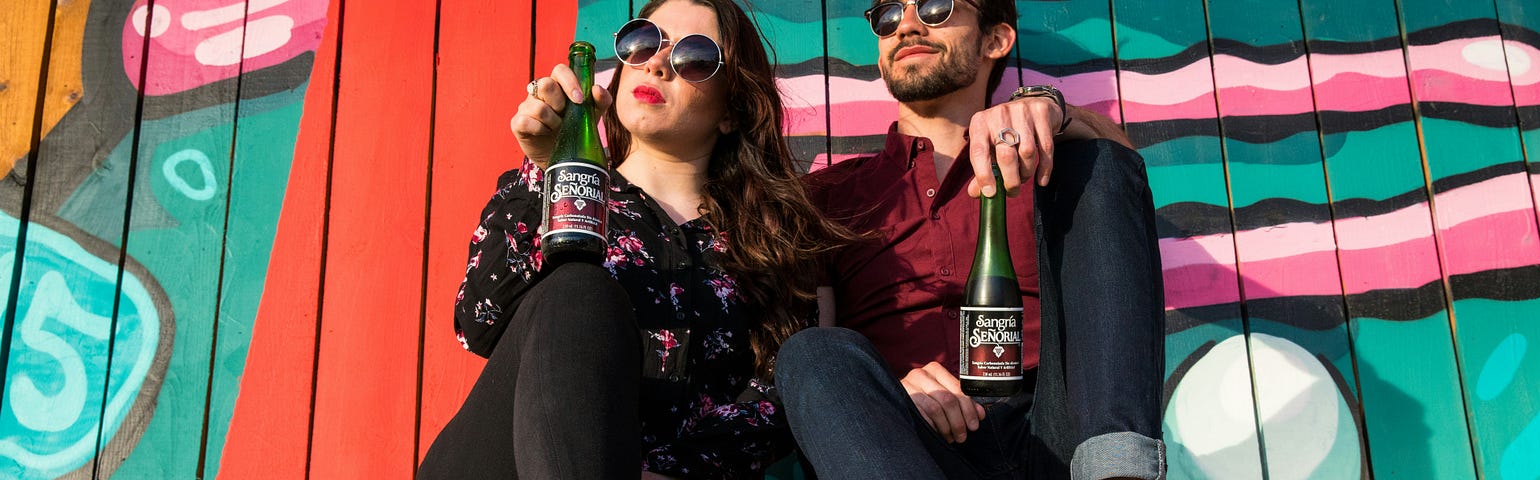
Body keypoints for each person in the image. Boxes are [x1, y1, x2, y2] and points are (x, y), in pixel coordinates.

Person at [417, 1, 857, 478]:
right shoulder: (550, 191)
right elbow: (477, 324)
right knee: (579, 292)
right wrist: (549, 173)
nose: (656, 62)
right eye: (643, 41)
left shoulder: (769, 245)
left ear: (730, 110)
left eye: (694, 57)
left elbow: (774, 407)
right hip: (502, 462)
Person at [774, 0, 1166, 478]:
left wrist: (1051, 111)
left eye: (936, 7)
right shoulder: (826, 195)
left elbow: (1127, 193)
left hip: (1057, 430)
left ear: (995, 40)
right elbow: (820, 347)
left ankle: (1118, 472)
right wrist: (884, 390)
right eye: (887, 17)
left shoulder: (1056, 166)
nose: (908, 25)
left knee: (1100, 163)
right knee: (812, 352)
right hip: (905, 445)